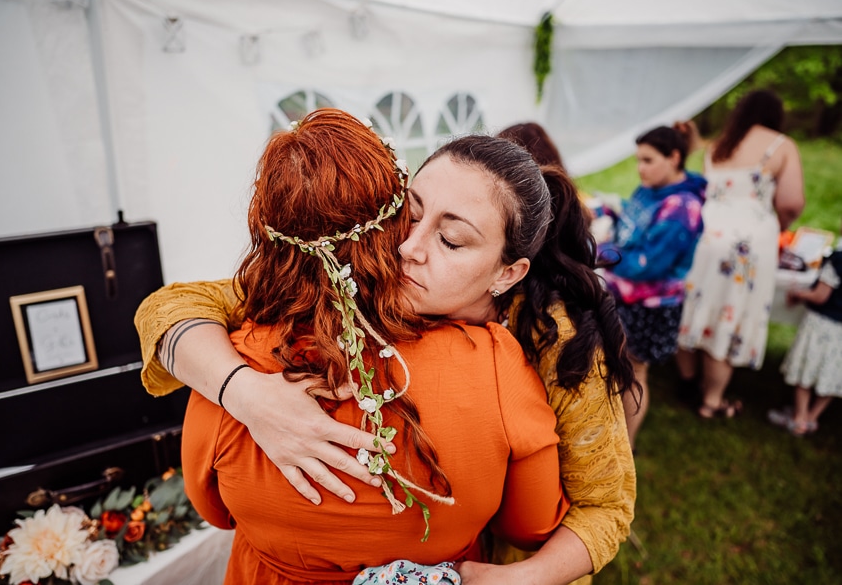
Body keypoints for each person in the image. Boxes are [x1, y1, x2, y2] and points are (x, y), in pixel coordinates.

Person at [135, 123, 637, 585]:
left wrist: (521, 578)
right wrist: (243, 392)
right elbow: (170, 306)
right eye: (410, 214)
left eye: (451, 239)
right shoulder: (362, 274)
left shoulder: (558, 341)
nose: (408, 248)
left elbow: (604, 510)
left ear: (507, 274)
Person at [675, 90, 805, 419]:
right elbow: (791, 203)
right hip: (748, 242)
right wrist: (779, 222)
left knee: (696, 306)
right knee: (727, 317)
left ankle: (688, 382)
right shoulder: (781, 145)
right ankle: (712, 401)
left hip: (705, 234)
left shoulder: (719, 145)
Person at [597, 126, 706, 449]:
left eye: (648, 160)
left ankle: (624, 448)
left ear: (674, 158)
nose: (640, 168)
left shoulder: (683, 206)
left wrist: (599, 251)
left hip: (650, 306)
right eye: (638, 160)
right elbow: (630, 232)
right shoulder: (649, 189)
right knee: (613, 368)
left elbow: (648, 263)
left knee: (633, 374)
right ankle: (607, 436)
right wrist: (608, 216)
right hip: (620, 296)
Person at [767, 226, 842, 436]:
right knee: (832, 374)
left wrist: (799, 294)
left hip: (821, 325)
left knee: (806, 371)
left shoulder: (838, 260)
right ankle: (812, 417)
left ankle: (799, 418)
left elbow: (820, 295)